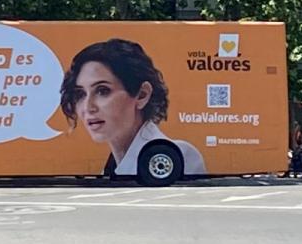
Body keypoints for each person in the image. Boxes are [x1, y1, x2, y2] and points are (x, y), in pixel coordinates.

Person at [59, 38, 206, 177]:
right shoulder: (112, 166)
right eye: (80, 94)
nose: (88, 107)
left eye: (102, 91)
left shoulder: (184, 154)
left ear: (142, 95)